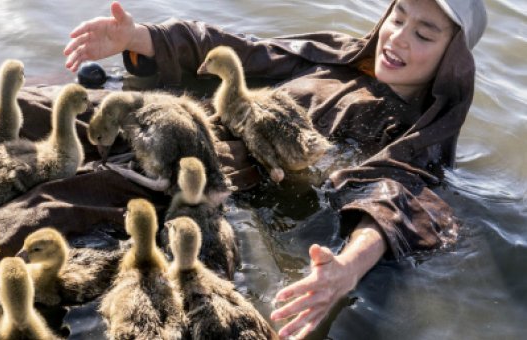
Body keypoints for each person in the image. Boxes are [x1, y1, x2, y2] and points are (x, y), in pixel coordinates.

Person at [63, 0, 487, 338]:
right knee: (50, 116)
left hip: (217, 175)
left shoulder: (414, 136)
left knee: (67, 203)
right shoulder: (331, 57)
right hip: (178, 125)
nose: (398, 39)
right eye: (397, 17)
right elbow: (244, 51)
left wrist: (347, 269)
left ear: (451, 59)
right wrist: (141, 38)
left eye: (424, 33)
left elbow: (399, 196)